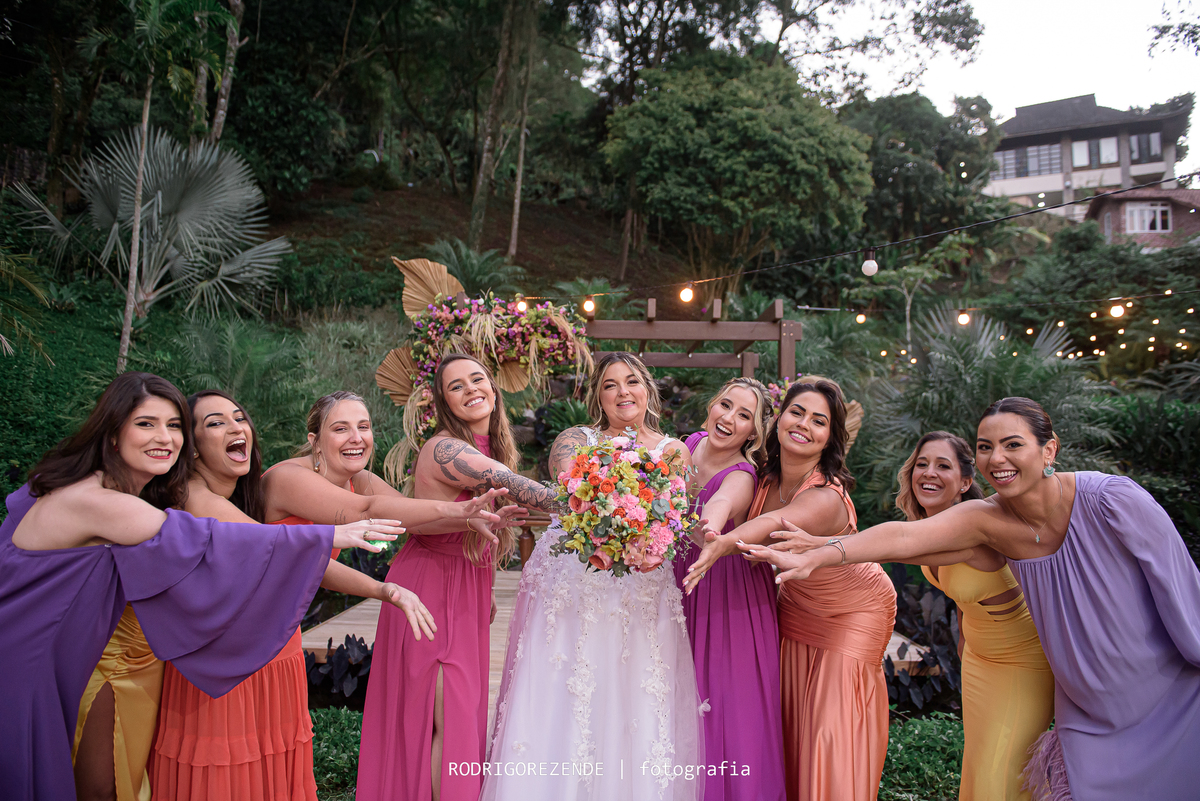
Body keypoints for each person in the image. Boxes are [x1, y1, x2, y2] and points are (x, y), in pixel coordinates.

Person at [743, 397, 1200, 801]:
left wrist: (822, 553)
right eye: (985, 447)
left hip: (1112, 673)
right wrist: (824, 552)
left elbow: (1177, 584)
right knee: (992, 774)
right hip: (1037, 677)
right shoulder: (988, 520)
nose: (997, 458)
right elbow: (903, 537)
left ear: (1050, 450)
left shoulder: (1113, 499)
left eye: (1012, 444)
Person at [0, 372, 399, 801]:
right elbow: (207, 539)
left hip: (67, 654)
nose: (164, 437)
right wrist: (330, 536)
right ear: (112, 433)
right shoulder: (100, 502)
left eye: (172, 425)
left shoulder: (118, 491)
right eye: (146, 424)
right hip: (31, 662)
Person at [150, 389, 436, 801]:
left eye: (239, 417)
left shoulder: (243, 495)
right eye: (215, 422)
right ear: (190, 448)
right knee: (227, 777)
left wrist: (387, 586)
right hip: (226, 666)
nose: (236, 428)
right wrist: (335, 535)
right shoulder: (194, 496)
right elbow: (268, 544)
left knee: (271, 771)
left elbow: (399, 521)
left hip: (275, 648)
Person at [480, 352, 703, 801]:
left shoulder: (674, 450)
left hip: (643, 583)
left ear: (648, 390)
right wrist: (616, 508)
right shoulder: (574, 439)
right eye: (611, 385)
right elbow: (568, 487)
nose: (624, 392)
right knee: (568, 683)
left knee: (636, 689)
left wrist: (647, 537)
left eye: (633, 381)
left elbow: (677, 514)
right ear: (597, 397)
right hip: (576, 579)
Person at [358, 355, 561, 801]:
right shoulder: (447, 449)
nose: (471, 389)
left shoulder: (492, 447)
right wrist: (599, 499)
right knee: (444, 719)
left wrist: (485, 587)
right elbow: (517, 486)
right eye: (456, 386)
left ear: (493, 387)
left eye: (478, 379)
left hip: (466, 586)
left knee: (462, 714)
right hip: (430, 584)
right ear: (444, 403)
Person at [684, 379, 896, 801]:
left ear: (830, 438)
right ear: (779, 419)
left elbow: (773, 525)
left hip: (850, 612)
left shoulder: (825, 496)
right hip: (792, 607)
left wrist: (723, 542)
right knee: (791, 733)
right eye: (797, 412)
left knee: (825, 735)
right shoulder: (763, 473)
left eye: (820, 421)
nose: (804, 425)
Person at [897, 431, 1053, 801]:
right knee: (980, 767)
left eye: (943, 466)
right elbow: (969, 607)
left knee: (999, 776)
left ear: (965, 482)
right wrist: (968, 655)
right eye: (922, 464)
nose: (928, 473)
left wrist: (823, 548)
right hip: (980, 663)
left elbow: (894, 543)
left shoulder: (973, 527)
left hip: (1022, 665)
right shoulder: (931, 528)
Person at [671, 377, 785, 801]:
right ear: (711, 406)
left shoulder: (743, 475)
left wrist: (711, 529)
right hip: (683, 583)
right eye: (726, 405)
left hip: (726, 593)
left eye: (744, 416)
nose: (729, 419)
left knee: (723, 702)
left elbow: (718, 509)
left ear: (753, 433)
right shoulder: (688, 444)